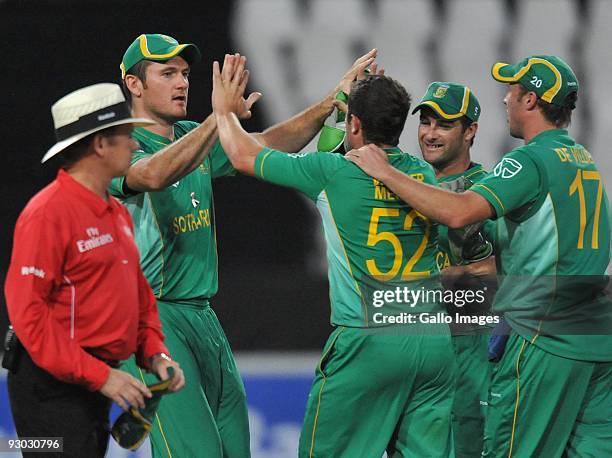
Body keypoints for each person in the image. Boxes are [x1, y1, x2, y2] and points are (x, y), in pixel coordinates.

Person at [109, 33, 377, 457]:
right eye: (167, 73)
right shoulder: (114, 144)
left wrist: (332, 101)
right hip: (152, 321)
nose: (182, 83)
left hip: (203, 317)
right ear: (133, 84)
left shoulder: (188, 134)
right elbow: (152, 176)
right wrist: (220, 118)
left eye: (184, 74)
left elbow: (264, 148)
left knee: (235, 450)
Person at [347, 55, 612, 457]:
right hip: (595, 335)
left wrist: (386, 172)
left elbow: (458, 212)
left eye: (512, 90)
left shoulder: (529, 160)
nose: (505, 100)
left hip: (544, 331)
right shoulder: (583, 161)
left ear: (529, 100)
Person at [211, 53, 455, 457]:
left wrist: (223, 111)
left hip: (368, 340)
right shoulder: (422, 175)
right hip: (431, 340)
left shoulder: (331, 172)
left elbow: (241, 155)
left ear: (354, 123)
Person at [3, 83, 184, 457]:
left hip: (92, 382)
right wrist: (103, 377)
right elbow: (29, 319)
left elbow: (138, 294)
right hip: (47, 391)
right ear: (100, 145)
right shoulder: (47, 214)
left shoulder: (114, 210)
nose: (135, 145)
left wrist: (155, 354)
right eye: (127, 136)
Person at [412, 81, 497, 457]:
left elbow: (508, 268)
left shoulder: (490, 190)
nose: (430, 134)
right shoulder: (409, 181)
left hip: (469, 351)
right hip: (416, 352)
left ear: (471, 131)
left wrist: (432, 283)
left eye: (443, 125)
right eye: (426, 122)